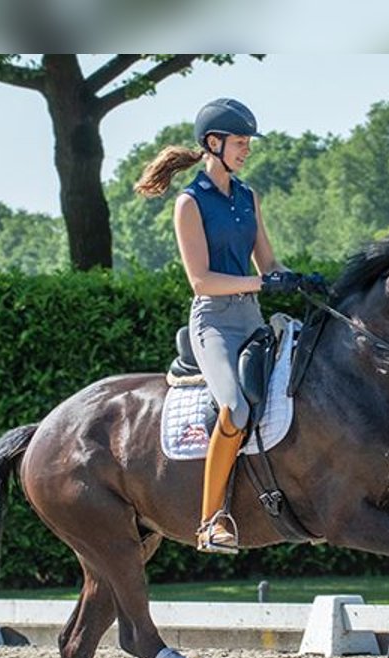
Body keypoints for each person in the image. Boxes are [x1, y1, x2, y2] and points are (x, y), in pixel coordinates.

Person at [135, 98, 303, 554]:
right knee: (235, 406)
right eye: (241, 142)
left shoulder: (248, 197)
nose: (247, 150)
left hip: (252, 317)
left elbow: (267, 260)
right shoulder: (190, 204)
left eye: (248, 143)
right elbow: (201, 280)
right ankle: (211, 521)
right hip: (214, 325)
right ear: (215, 143)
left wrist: (293, 277)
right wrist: (262, 281)